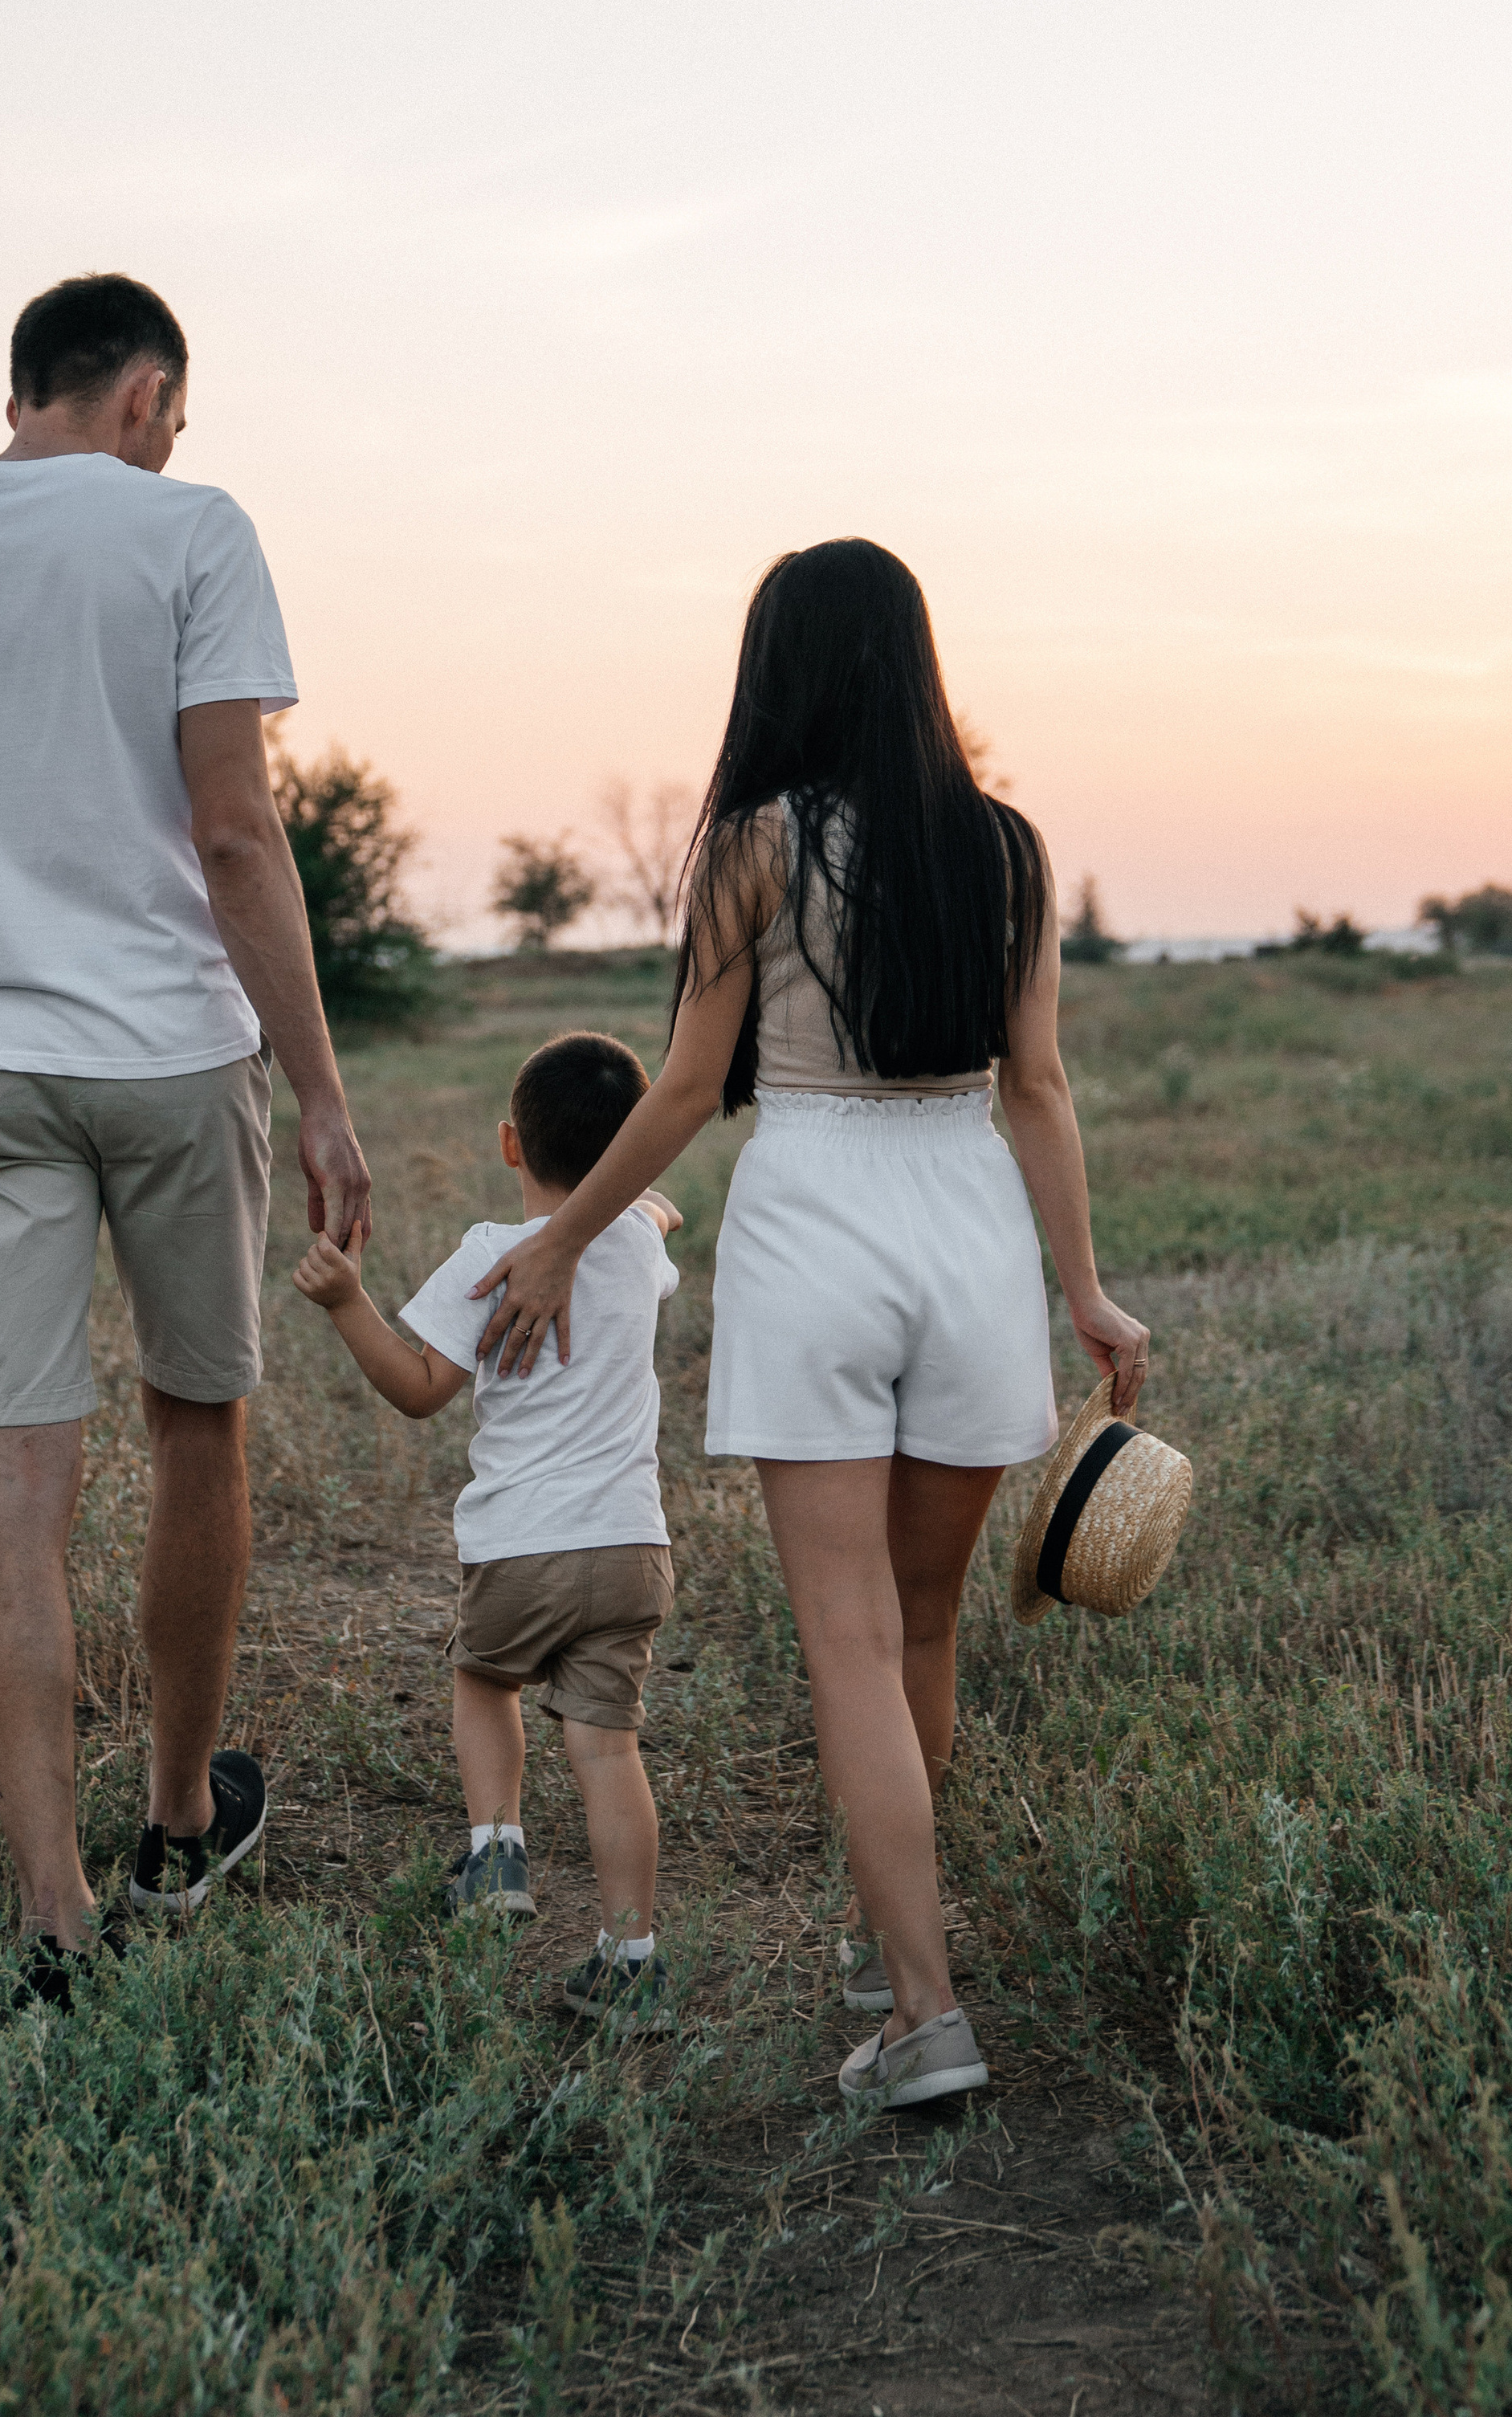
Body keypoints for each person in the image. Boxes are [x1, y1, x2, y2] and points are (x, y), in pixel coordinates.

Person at [471, 540, 1150, 2108]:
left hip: (815, 1230)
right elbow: (1036, 1085)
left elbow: (692, 1087)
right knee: (921, 1629)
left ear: (779, 667)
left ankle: (921, 2006)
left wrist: (564, 1234)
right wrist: (1082, 1288)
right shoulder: (1007, 848)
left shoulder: (756, 846)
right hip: (967, 1228)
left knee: (846, 1640)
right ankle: (882, 1938)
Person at [0, 271, 370, 2004]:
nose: (171, 443)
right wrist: (321, 1083)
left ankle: (49, 1915)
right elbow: (236, 833)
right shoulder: (187, 527)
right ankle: (180, 1824)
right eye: (171, 419)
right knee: (199, 1429)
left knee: (18, 1477)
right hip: (177, 1057)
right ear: (143, 395)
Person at [293, 1031, 682, 2028]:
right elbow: (651, 1216)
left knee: (482, 1678)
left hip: (520, 1544)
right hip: (632, 1548)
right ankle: (631, 1956)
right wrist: (648, 1201)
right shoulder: (638, 1244)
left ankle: (496, 1850)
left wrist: (347, 1303)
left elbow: (420, 1390)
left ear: (512, 1145)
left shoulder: (484, 1257)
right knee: (608, 1751)